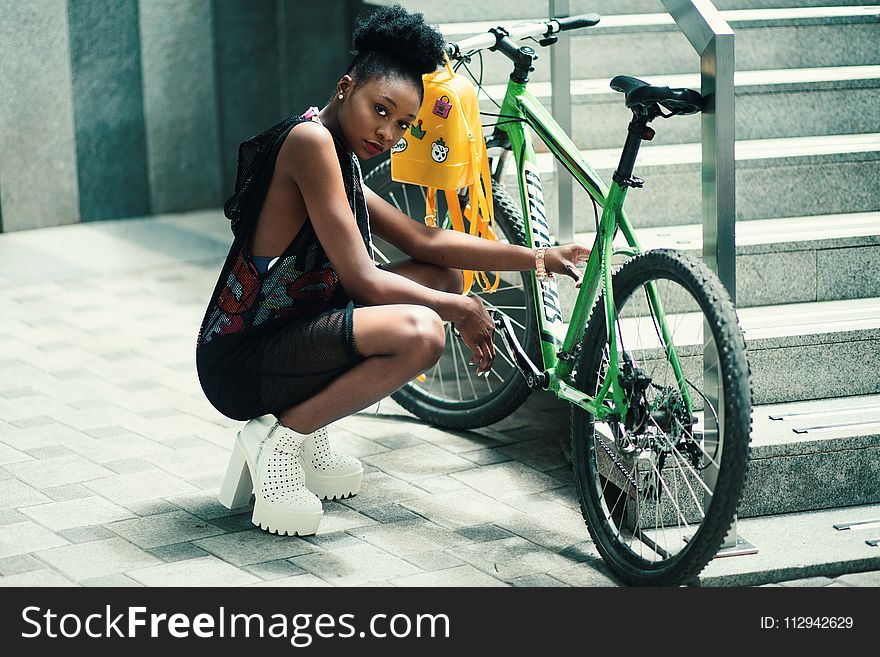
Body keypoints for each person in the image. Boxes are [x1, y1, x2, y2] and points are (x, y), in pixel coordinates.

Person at [196, 4, 590, 537]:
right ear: (345, 89)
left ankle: (307, 428)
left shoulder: (343, 155)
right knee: (422, 331)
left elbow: (425, 239)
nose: (388, 133)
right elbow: (362, 277)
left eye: (402, 124)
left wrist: (541, 257)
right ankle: (283, 441)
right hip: (244, 358)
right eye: (380, 110)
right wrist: (459, 312)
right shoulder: (310, 143)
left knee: (443, 276)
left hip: (296, 336)